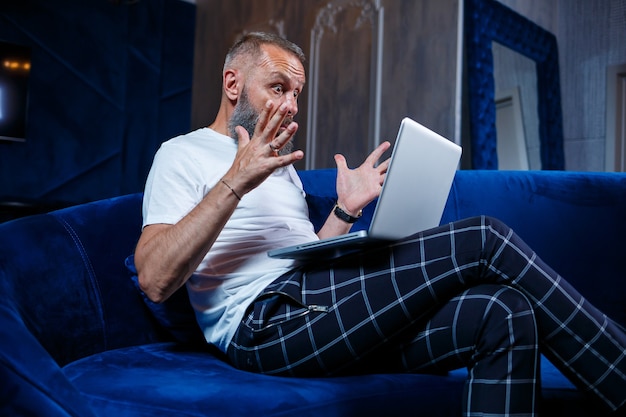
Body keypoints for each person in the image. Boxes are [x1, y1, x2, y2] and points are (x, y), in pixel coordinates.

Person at [134, 32, 626, 416]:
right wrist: (235, 181)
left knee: (503, 312)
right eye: (278, 88)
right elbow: (155, 279)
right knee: (483, 238)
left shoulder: (283, 169)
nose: (290, 106)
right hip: (260, 327)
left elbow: (296, 259)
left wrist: (345, 212)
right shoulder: (183, 154)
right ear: (232, 83)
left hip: (311, 306)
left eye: (297, 93)